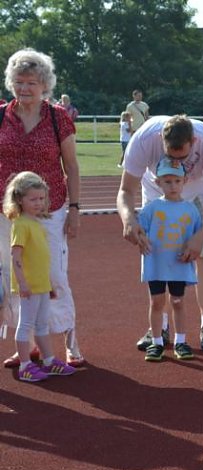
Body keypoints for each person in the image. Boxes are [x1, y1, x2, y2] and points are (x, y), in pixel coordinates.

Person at [0, 48, 85, 369]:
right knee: (14, 275)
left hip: (51, 210)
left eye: (32, 82)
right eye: (19, 82)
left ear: (44, 84)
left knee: (53, 276)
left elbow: (72, 167)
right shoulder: (0, 116)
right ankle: (28, 346)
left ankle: (70, 343)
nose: (25, 88)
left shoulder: (57, 117)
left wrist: (75, 209)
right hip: (7, 212)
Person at [117, 114, 203, 352]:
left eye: (182, 157)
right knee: (158, 254)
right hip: (157, 190)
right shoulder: (144, 138)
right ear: (161, 140)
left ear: (194, 142)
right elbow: (126, 190)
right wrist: (128, 220)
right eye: (170, 155)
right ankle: (161, 327)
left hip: (199, 192)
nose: (176, 161)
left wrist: (198, 238)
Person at [3, 172, 76, 382]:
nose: (38, 203)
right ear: (19, 200)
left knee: (43, 324)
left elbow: (40, 259)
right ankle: (26, 365)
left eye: (41, 198)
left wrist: (48, 283)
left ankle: (49, 360)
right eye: (32, 199)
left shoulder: (38, 224)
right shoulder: (21, 224)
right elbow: (16, 256)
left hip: (42, 285)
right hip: (28, 287)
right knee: (26, 324)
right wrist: (22, 283)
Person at [137, 158, 202, 362]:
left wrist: (192, 250)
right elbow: (139, 230)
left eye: (176, 181)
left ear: (184, 181)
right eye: (167, 181)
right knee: (157, 303)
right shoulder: (152, 208)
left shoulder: (191, 210)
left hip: (178, 265)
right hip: (156, 264)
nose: (172, 186)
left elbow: (197, 238)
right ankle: (156, 343)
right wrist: (141, 238)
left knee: (178, 301)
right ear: (158, 183)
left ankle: (181, 341)